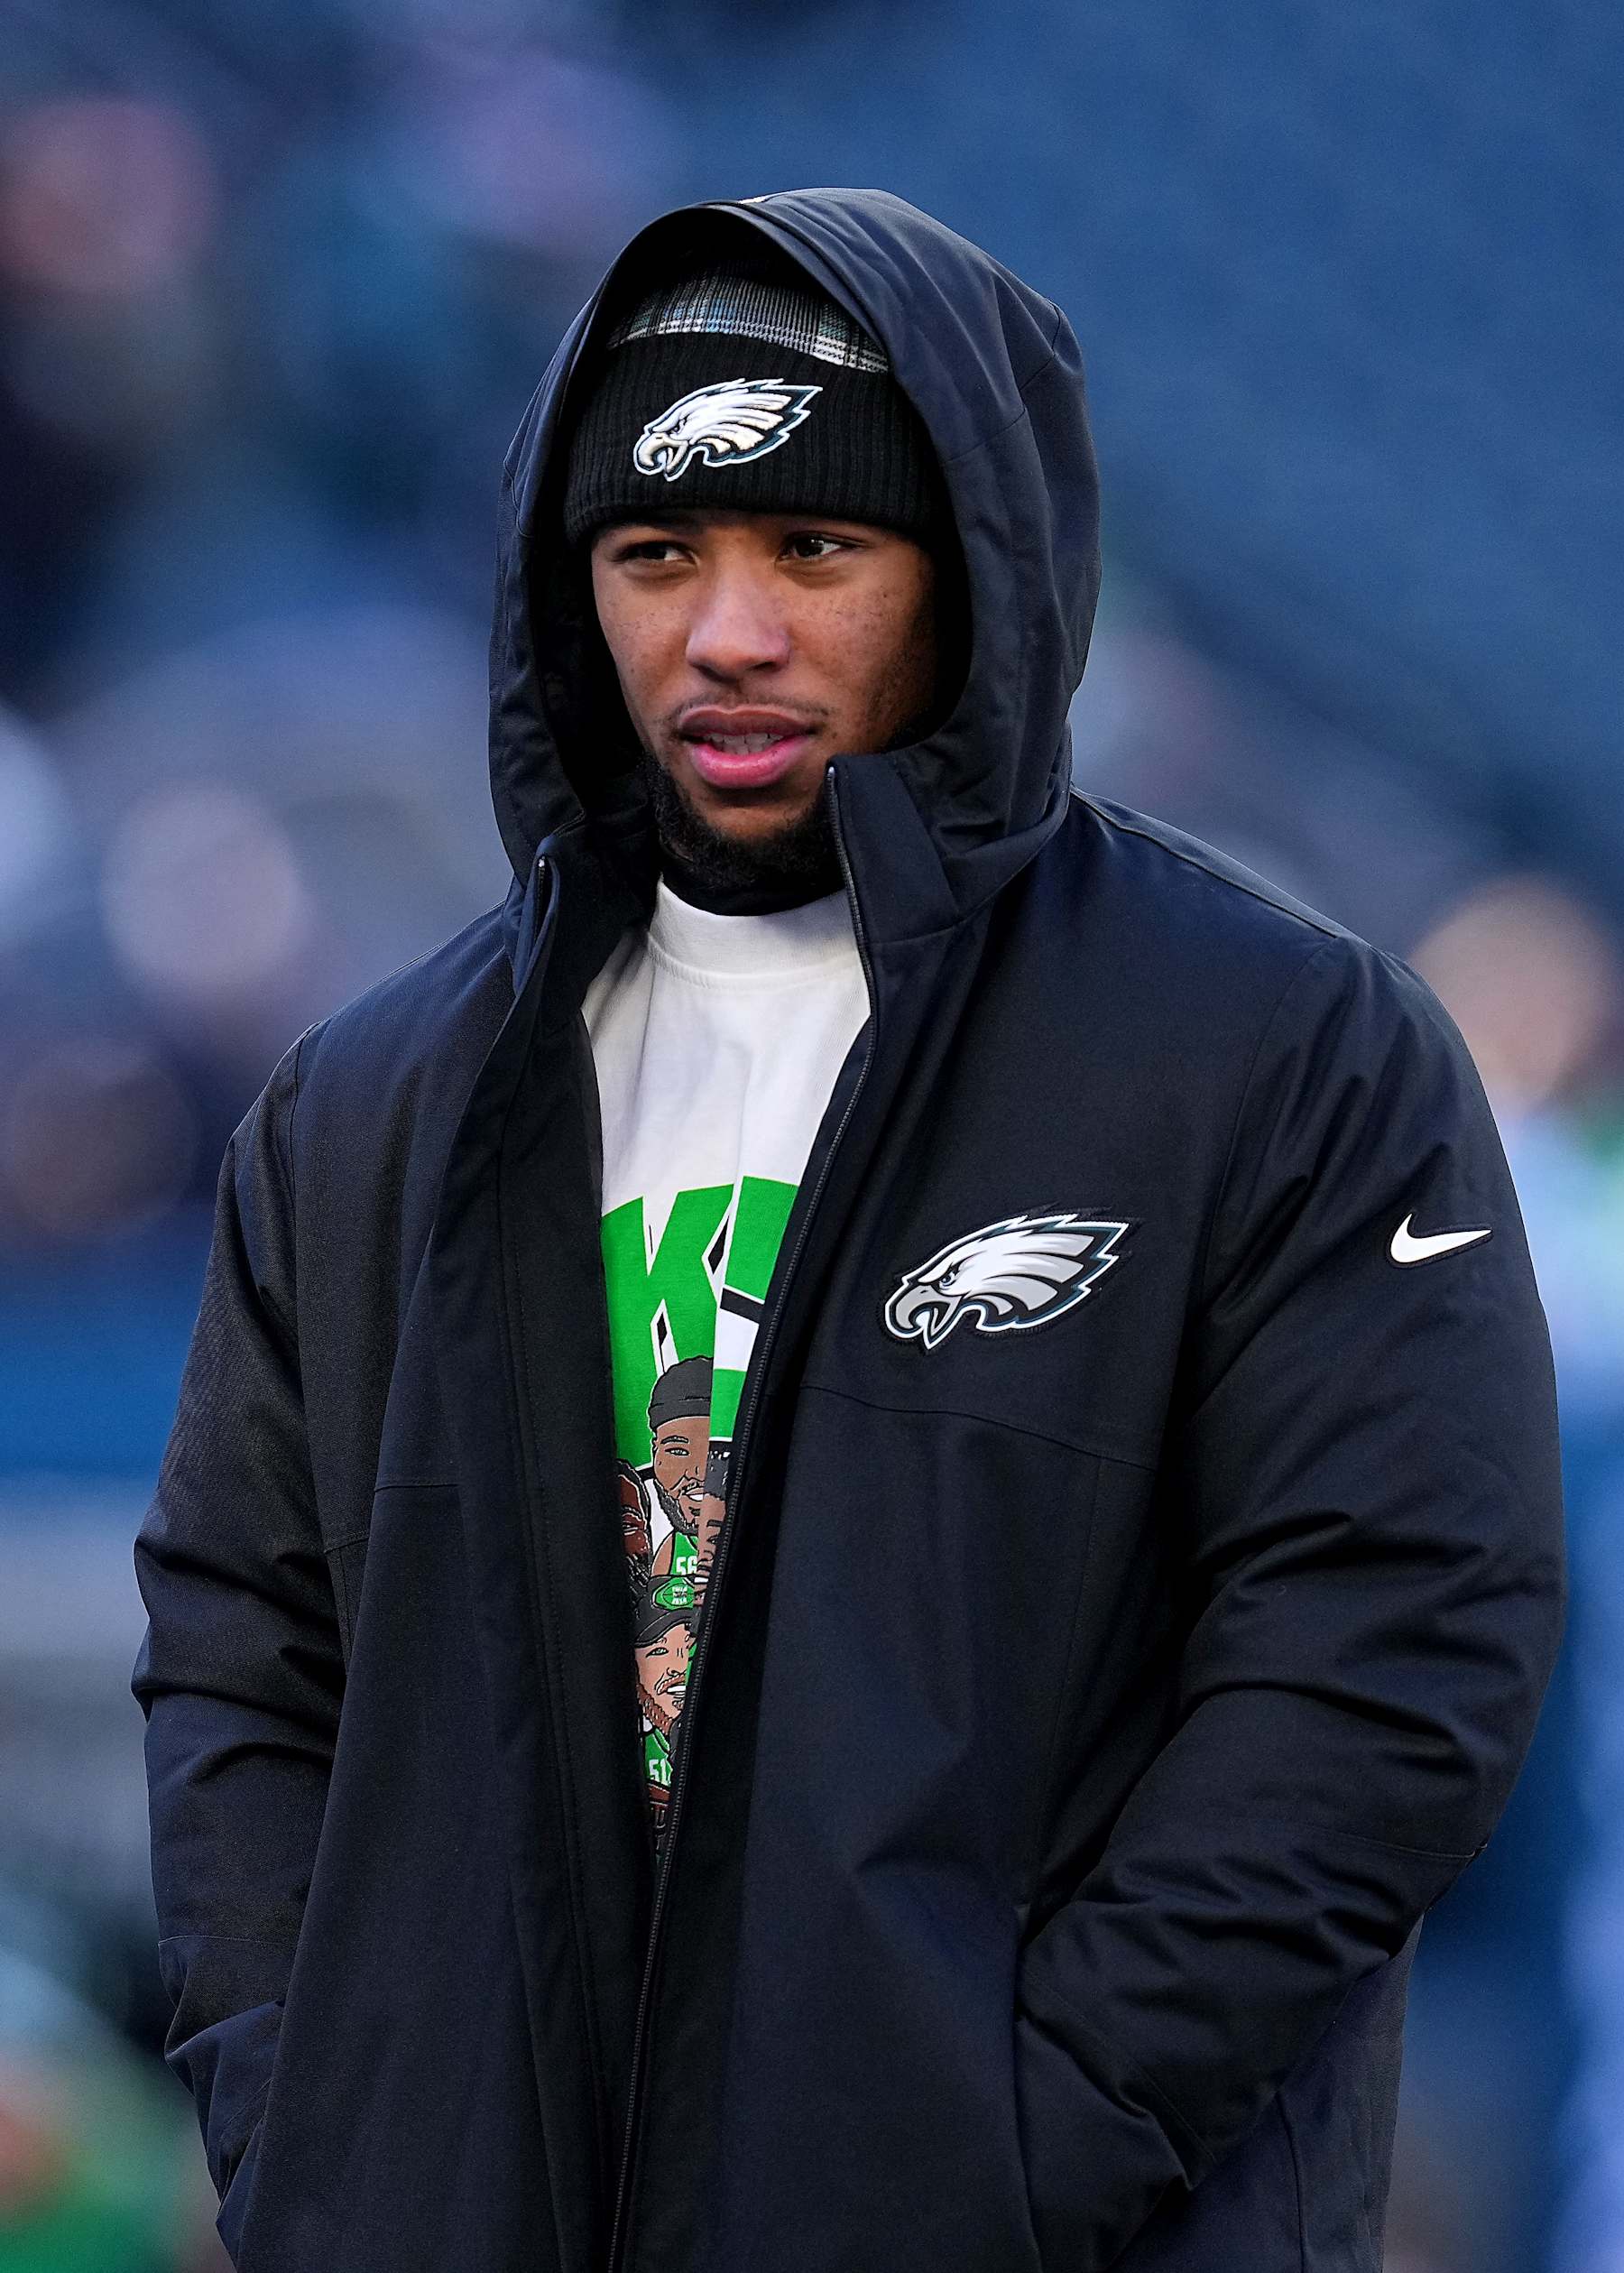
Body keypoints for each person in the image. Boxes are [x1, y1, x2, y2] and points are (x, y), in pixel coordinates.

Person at [130, 188, 1564, 2273]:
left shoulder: (1287, 1052)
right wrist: (315, 2126)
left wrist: (1009, 2150)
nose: (727, 632)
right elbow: (239, 1663)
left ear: (969, 565)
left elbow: (1391, 1656)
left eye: (816, 548)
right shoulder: (369, 1105)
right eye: (657, 555)